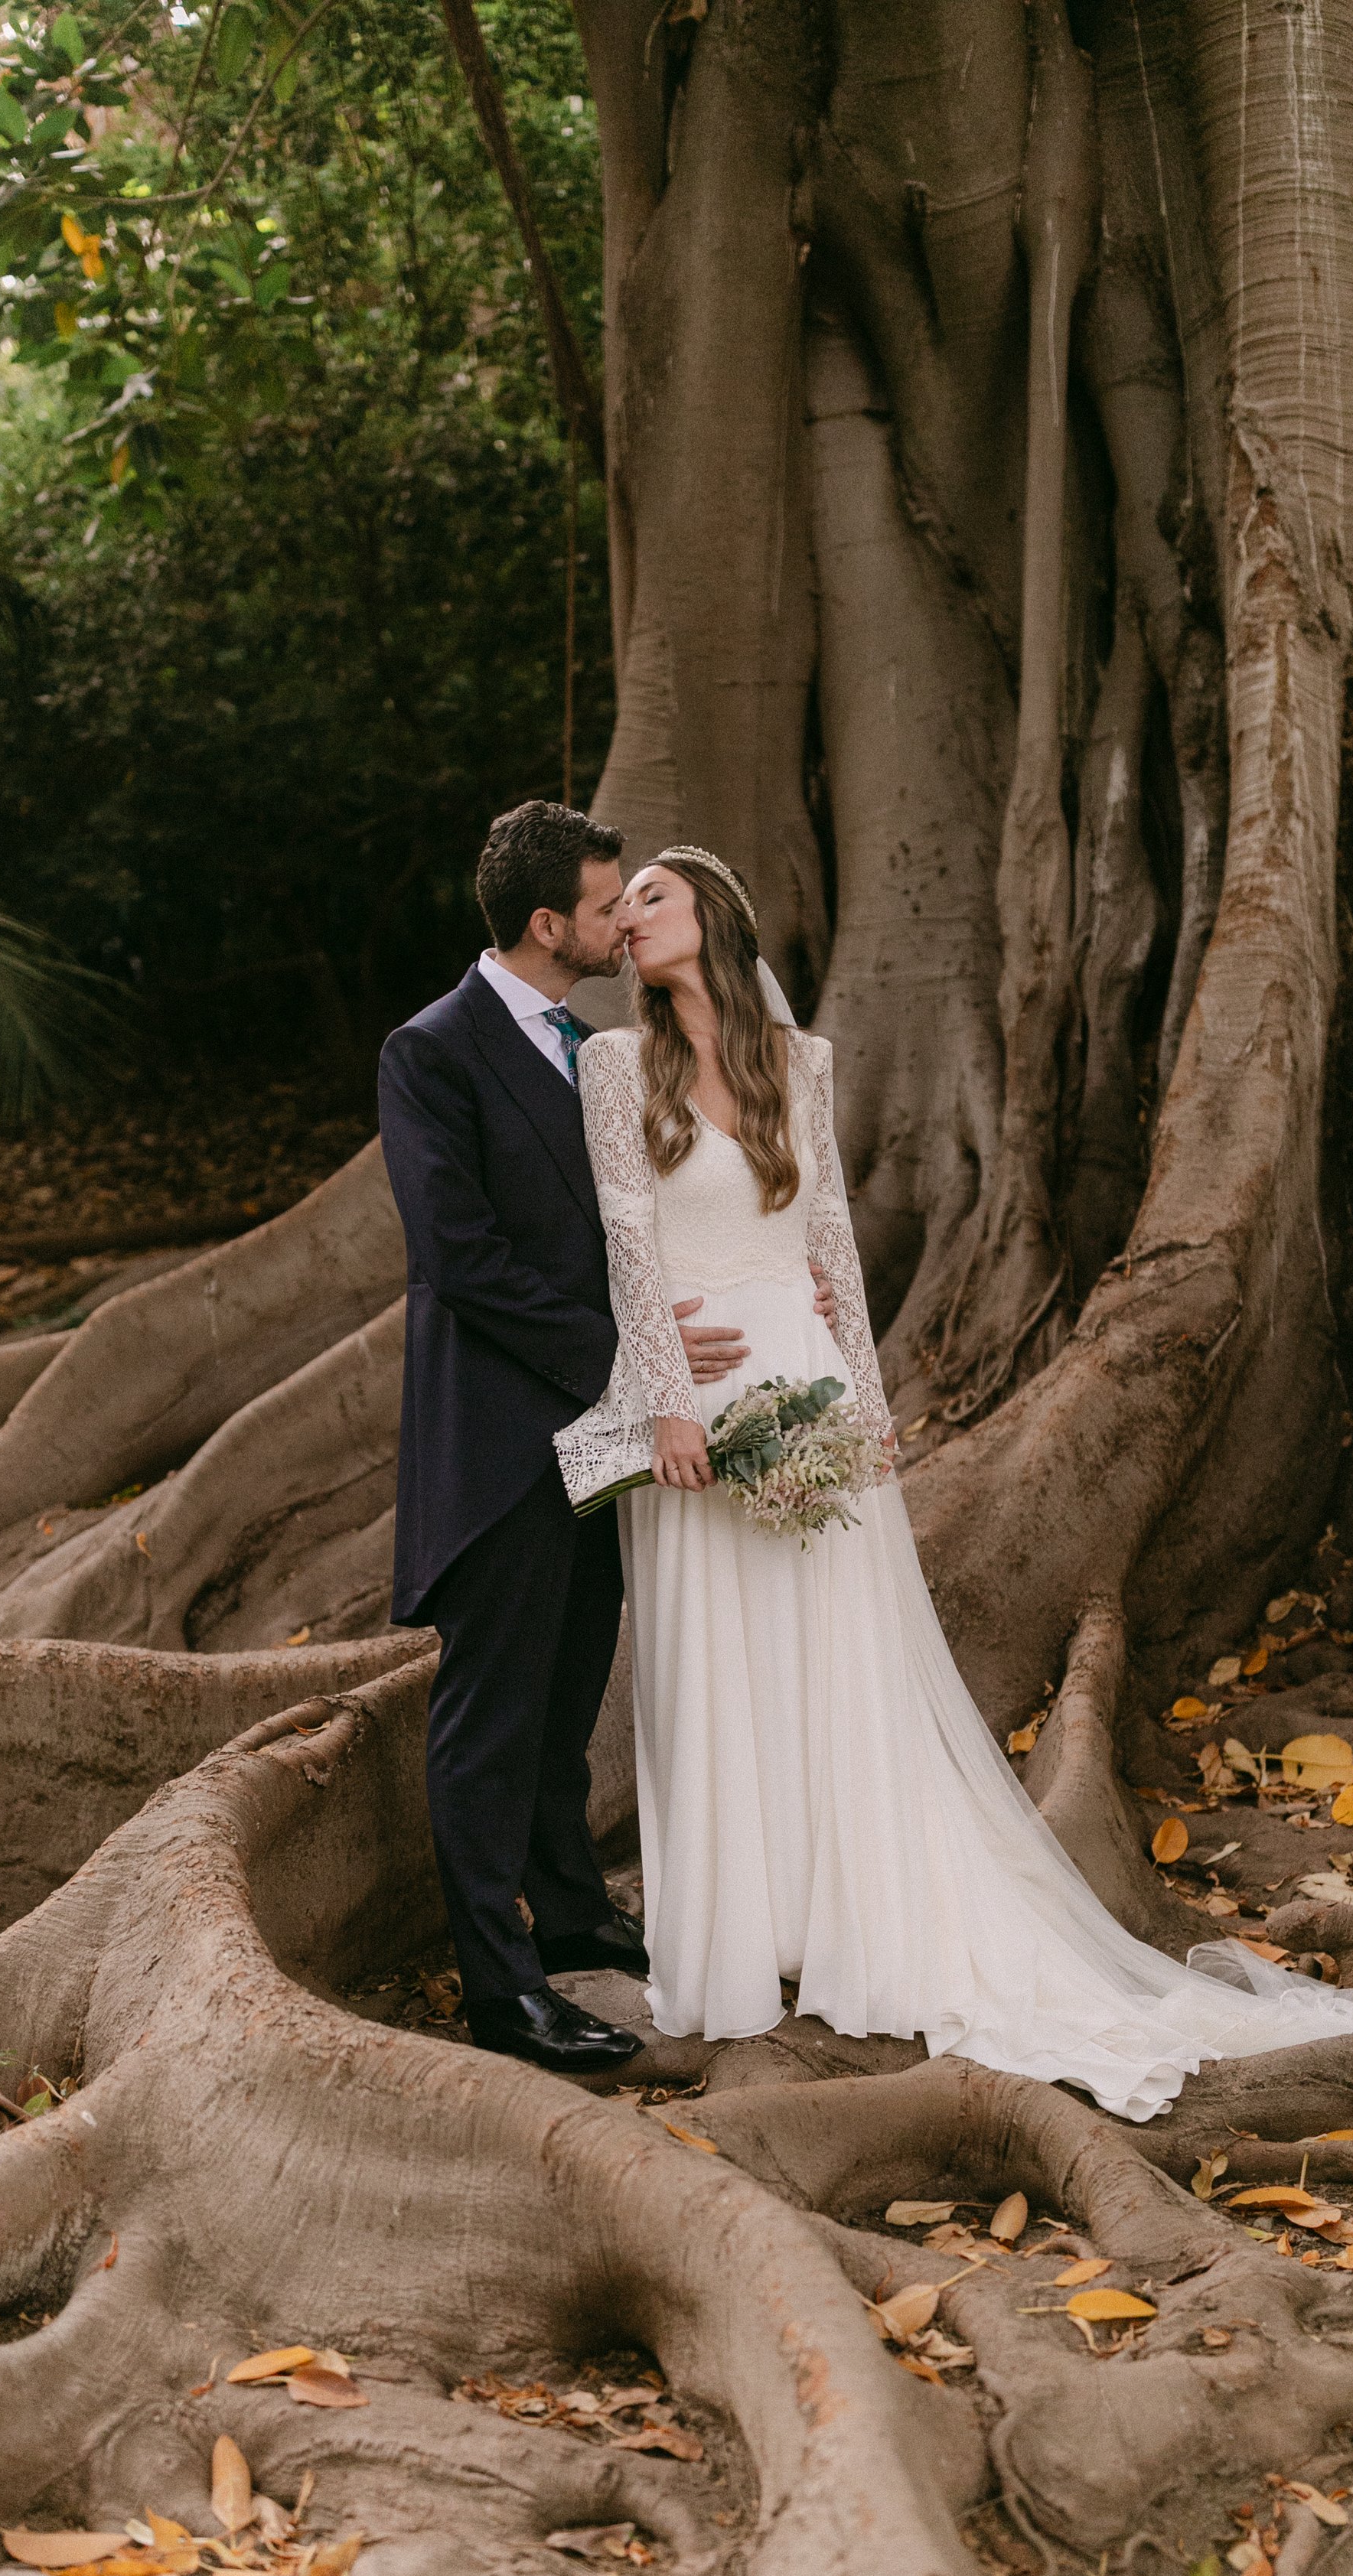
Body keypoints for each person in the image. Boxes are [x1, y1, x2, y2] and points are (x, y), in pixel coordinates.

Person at [563, 844, 1353, 2120]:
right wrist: (667, 1393)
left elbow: (829, 1232)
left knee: (827, 1654)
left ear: (716, 915)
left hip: (808, 1382)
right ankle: (733, 1941)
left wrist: (868, 1405)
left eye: (652, 899)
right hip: (699, 1394)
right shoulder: (619, 1068)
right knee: (709, 1655)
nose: (629, 923)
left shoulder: (804, 1063)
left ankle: (845, 1917)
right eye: (622, 912)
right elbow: (626, 1234)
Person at [377, 801, 840, 2076]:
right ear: (547, 923)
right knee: (490, 1717)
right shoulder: (432, 1053)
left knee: (570, 1691)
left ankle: (576, 1909)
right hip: (497, 1448)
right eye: (601, 906)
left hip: (603, 1444)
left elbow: (633, 1232)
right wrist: (634, 1354)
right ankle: (501, 1987)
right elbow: (459, 1260)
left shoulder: (590, 1049)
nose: (618, 921)